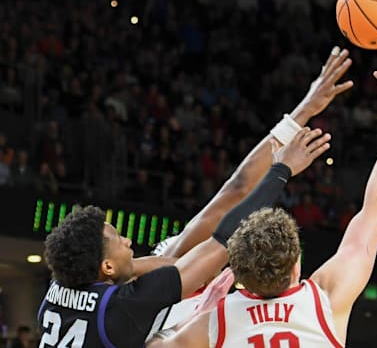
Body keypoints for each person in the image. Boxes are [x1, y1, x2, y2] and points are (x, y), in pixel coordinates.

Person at [145, 45, 377, 347]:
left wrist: (190, 320)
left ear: (235, 270)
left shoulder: (215, 321)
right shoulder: (325, 300)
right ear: (296, 264)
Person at [38, 127, 331, 348]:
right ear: (107, 268)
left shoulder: (62, 283)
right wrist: (281, 171)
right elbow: (220, 242)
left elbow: (133, 268)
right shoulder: (124, 308)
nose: (128, 241)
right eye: (118, 240)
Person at [145, 46, 354, 336]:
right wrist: (302, 114)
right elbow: (237, 191)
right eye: (117, 238)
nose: (129, 242)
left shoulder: (221, 313)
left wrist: (304, 112)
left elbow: (237, 191)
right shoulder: (172, 270)